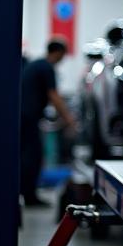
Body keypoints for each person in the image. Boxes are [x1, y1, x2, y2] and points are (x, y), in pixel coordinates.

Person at [20, 39, 77, 207]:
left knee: (28, 155)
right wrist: (69, 119)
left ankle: (27, 193)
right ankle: (29, 196)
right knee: (33, 156)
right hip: (29, 117)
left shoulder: (37, 64)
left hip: (25, 117)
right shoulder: (46, 68)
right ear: (58, 52)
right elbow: (54, 96)